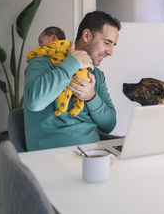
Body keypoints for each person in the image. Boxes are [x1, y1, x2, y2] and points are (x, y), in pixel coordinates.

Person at [23, 11, 121, 151]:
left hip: (94, 154)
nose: (111, 52)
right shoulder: (43, 61)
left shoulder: (97, 76)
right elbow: (34, 102)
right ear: (87, 35)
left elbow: (109, 124)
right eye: (107, 43)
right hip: (52, 157)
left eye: (113, 45)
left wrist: (91, 97)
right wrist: (72, 63)